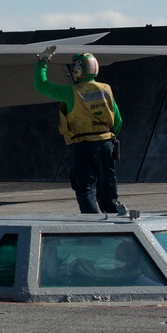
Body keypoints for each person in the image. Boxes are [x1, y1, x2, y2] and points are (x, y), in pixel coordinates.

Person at [34, 46, 125, 214]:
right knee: (107, 187)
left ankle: (93, 224)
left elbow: (41, 85)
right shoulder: (106, 89)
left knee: (85, 188)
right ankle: (114, 222)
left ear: (78, 71)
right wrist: (108, 140)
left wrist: (42, 62)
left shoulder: (71, 92)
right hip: (106, 144)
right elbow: (117, 120)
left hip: (83, 146)